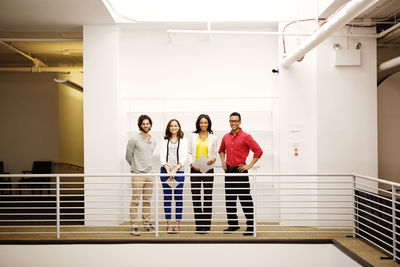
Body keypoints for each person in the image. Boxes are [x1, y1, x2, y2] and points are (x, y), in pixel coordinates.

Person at [218, 112, 263, 236]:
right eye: (231, 121)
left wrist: (249, 165)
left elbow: (258, 151)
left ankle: (251, 225)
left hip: (240, 171)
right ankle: (233, 224)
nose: (233, 123)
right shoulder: (225, 137)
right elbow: (221, 150)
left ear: (240, 122)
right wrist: (223, 162)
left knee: (245, 199)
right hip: (229, 171)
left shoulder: (246, 136)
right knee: (229, 199)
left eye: (236, 121)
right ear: (229, 122)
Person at [125, 115, 156, 236]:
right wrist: (136, 168)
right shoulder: (133, 139)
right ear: (140, 125)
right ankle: (134, 226)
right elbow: (128, 156)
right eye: (143, 124)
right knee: (135, 200)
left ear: (151, 125)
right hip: (137, 174)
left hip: (150, 174)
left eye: (148, 123)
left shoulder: (153, 140)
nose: (146, 126)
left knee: (147, 201)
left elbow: (149, 155)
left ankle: (147, 224)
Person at [188, 114, 218, 234]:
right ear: (198, 124)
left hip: (208, 169)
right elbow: (189, 153)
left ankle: (206, 225)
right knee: (196, 197)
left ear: (208, 124)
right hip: (195, 168)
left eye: (205, 123)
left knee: (207, 196)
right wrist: (191, 164)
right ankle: (199, 225)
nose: (203, 125)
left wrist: (213, 159)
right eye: (201, 123)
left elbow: (215, 153)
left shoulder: (213, 137)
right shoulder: (192, 136)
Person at [159, 119, 188, 234]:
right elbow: (161, 155)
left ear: (179, 127)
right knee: (167, 198)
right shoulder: (163, 139)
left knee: (178, 198)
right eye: (171, 126)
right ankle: (169, 224)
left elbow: (184, 156)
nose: (173, 128)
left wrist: (175, 170)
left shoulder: (184, 140)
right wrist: (167, 170)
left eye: (175, 126)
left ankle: (177, 224)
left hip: (179, 172)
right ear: (168, 128)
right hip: (165, 171)